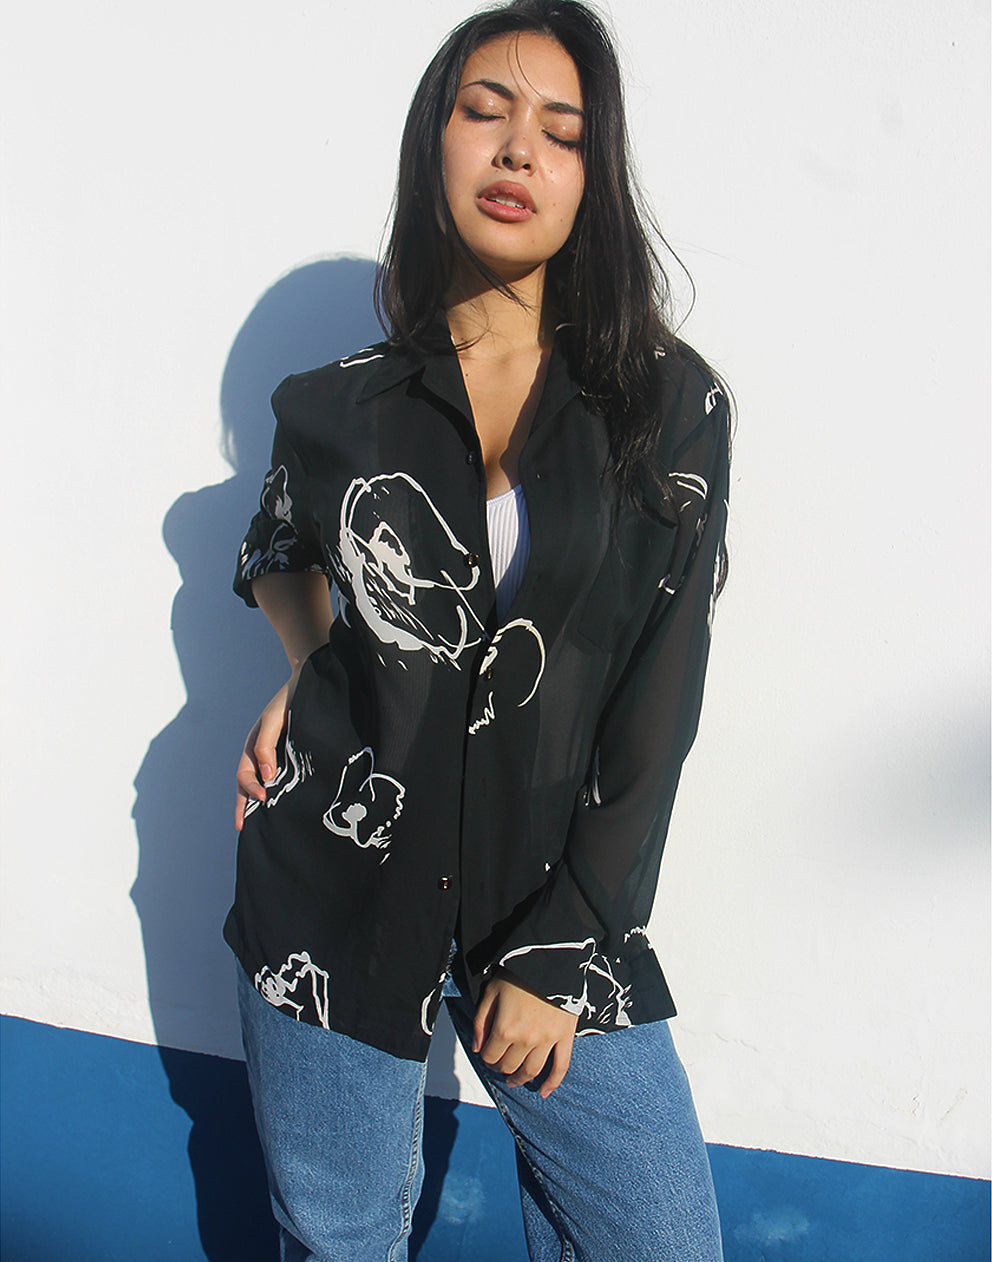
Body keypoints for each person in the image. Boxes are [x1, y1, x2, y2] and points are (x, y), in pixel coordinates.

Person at [227, 1, 730, 1257]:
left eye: (558, 132)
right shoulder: (336, 405)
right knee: (336, 1235)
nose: (516, 152)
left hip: (554, 891)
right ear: (432, 142)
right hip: (339, 880)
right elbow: (279, 549)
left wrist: (563, 951)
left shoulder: (666, 406)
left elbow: (661, 692)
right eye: (483, 113)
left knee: (658, 1241)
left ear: (588, 179)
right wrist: (304, 668)